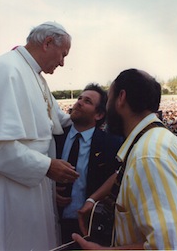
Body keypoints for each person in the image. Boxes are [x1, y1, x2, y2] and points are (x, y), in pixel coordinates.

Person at [72, 68, 177, 250]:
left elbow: (172, 247)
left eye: (109, 98)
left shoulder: (149, 156)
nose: (106, 108)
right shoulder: (154, 142)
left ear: (121, 97)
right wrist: (93, 200)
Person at [0, 22, 80, 251]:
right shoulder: (6, 69)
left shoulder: (37, 77)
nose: (63, 63)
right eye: (63, 54)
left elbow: (59, 120)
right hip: (13, 188)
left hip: (37, 184)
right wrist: (45, 166)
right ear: (47, 43)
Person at [54, 83, 123, 244]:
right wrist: (50, 190)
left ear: (99, 115)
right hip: (52, 221)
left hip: (89, 227)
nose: (78, 102)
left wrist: (93, 201)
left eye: (87, 101)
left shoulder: (111, 144)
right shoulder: (55, 137)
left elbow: (117, 179)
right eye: (79, 98)